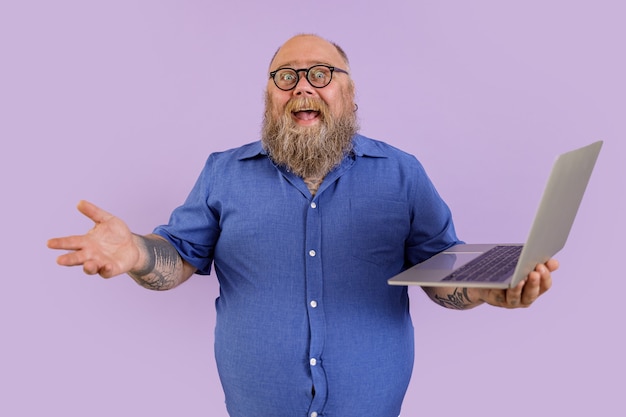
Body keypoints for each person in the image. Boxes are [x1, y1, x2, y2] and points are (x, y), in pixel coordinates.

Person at [47, 34, 558, 417]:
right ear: (270, 97)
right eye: (285, 76)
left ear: (350, 95)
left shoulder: (402, 172)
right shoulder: (222, 172)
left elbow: (439, 268)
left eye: (321, 74)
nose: (301, 87)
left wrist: (486, 289)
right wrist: (137, 252)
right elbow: (178, 256)